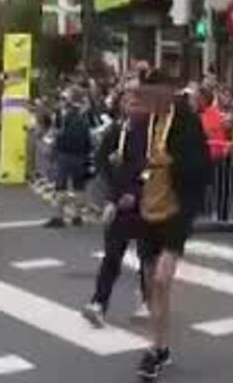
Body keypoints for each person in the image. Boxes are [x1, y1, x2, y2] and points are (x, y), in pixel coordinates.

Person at [126, 70, 211, 380]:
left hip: (175, 211)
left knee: (162, 278)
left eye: (150, 93)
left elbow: (202, 167)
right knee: (151, 284)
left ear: (166, 92)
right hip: (148, 210)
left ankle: (157, 348)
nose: (145, 99)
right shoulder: (142, 123)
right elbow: (130, 160)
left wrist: (172, 161)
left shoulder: (186, 121)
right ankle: (159, 347)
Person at [83, 89, 150, 328]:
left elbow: (153, 167)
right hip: (119, 202)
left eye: (137, 103)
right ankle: (98, 303)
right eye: (129, 103)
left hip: (147, 202)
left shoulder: (153, 133)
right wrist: (113, 194)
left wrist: (136, 192)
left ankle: (147, 300)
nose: (133, 108)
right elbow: (101, 159)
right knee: (112, 254)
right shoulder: (118, 130)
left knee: (147, 254)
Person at [47, 88, 95, 228]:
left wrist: (55, 150)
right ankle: (77, 216)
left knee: (60, 185)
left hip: (65, 154)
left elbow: (59, 135)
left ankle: (59, 217)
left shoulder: (63, 115)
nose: (61, 101)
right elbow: (89, 135)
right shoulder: (85, 115)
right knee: (78, 186)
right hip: (80, 154)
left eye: (64, 98)